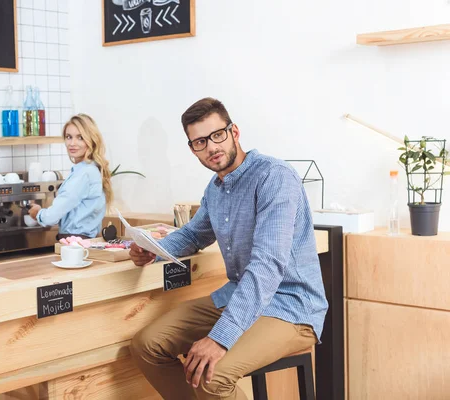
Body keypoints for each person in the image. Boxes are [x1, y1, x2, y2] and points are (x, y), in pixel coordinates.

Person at [128, 98, 328, 400]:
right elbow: (194, 234)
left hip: (291, 306)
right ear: (192, 148)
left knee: (213, 376)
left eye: (217, 135)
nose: (211, 147)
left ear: (234, 131)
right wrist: (153, 249)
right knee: (148, 345)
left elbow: (267, 265)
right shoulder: (216, 188)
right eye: (199, 142)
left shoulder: (274, 177)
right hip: (240, 296)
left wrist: (220, 339)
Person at [28, 114, 113, 239]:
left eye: (80, 137)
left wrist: (38, 213)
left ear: (91, 140)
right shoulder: (91, 170)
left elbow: (51, 217)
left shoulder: (84, 174)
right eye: (69, 137)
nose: (72, 143)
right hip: (84, 242)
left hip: (75, 244)